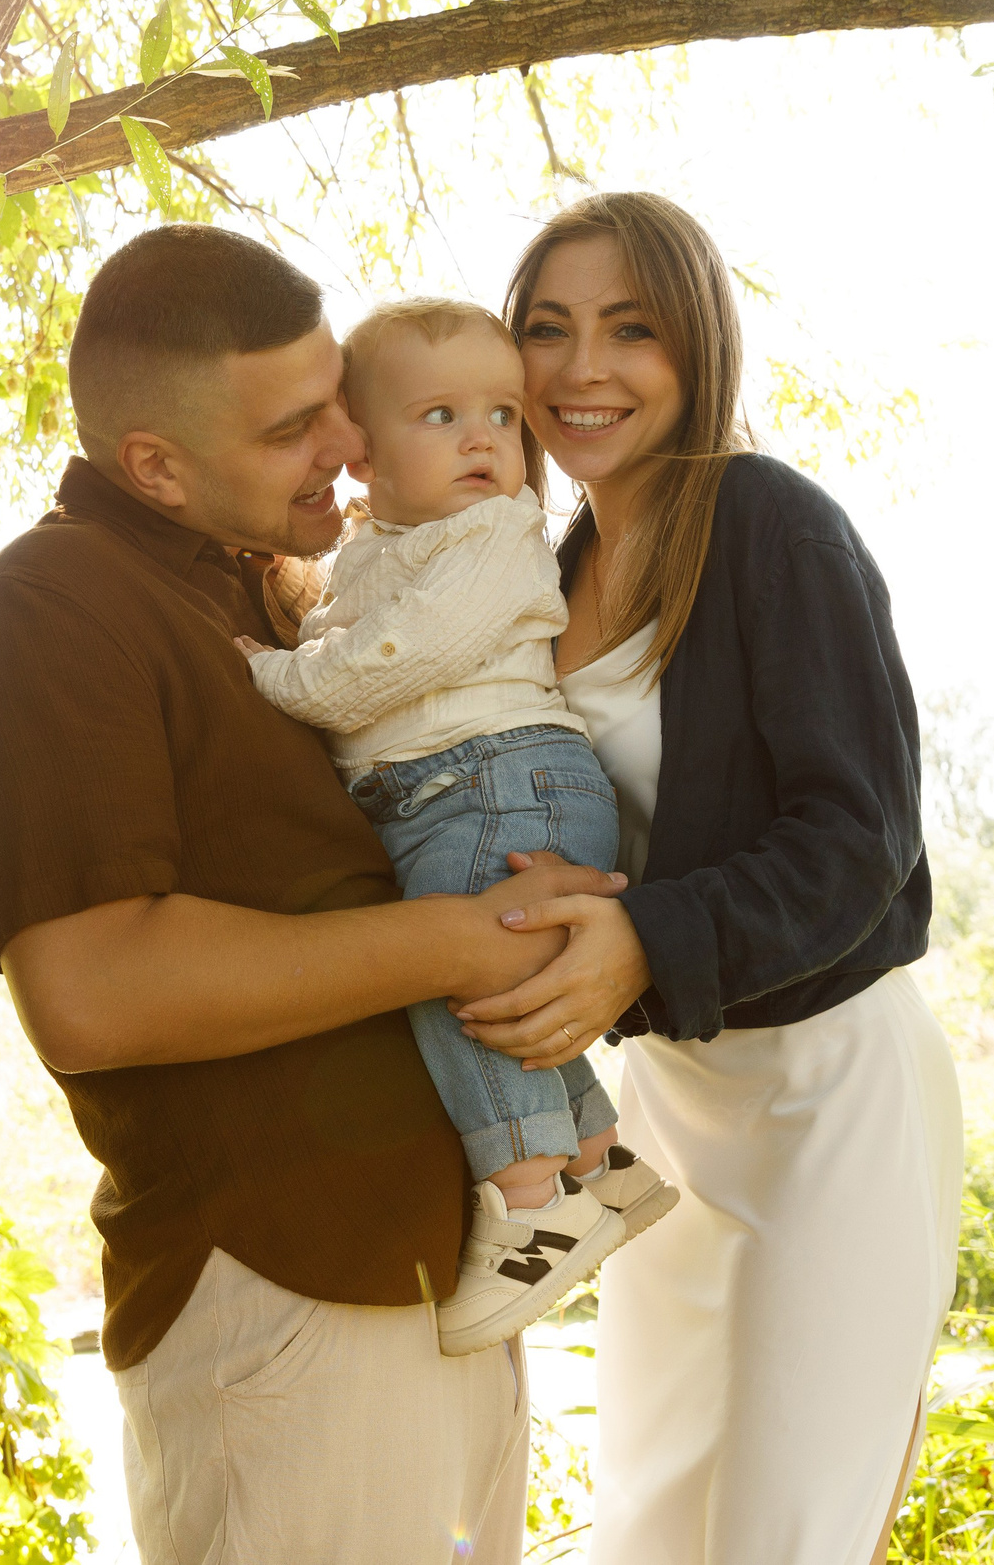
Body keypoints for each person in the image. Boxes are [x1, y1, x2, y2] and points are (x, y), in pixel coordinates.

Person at [0, 225, 626, 1565]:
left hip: (435, 1269)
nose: (349, 442)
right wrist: (452, 940)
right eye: (297, 425)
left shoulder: (284, 591)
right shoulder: (53, 604)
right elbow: (87, 988)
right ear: (157, 464)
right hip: (279, 1288)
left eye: (340, 398)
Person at [454, 192, 964, 1565]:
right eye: (546, 330)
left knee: (781, 1533)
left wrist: (640, 933)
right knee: (653, 1520)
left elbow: (859, 838)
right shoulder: (543, 572)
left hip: (826, 1097)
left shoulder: (772, 525)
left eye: (633, 329)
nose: (582, 370)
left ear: (699, 347)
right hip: (674, 1107)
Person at [237, 297, 679, 1355]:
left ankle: (532, 1210)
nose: (483, 437)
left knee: (456, 973)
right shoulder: (384, 544)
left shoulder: (492, 535)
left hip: (496, 778)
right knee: (506, 979)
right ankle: (602, 1162)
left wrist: (261, 670)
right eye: (439, 415)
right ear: (361, 452)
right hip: (470, 783)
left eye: (499, 414)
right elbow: (355, 616)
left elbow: (377, 670)